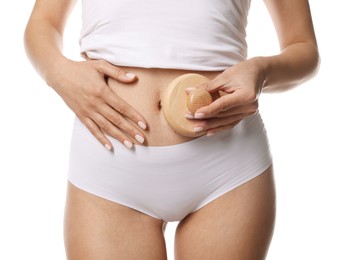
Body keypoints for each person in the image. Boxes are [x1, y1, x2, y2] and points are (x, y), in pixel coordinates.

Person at [24, 0, 319, 259]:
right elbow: (42, 23)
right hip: (109, 163)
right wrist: (58, 72)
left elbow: (303, 46)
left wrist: (261, 72)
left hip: (227, 168)